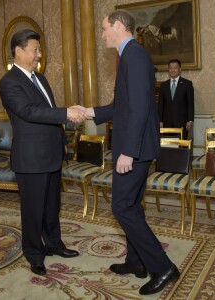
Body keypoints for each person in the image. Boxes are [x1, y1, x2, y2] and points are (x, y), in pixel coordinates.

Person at [82, 11, 180, 295]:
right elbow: (122, 105)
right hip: (136, 147)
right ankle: (136, 262)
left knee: (121, 207)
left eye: (104, 28)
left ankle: (162, 267)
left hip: (134, 149)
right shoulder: (126, 55)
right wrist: (90, 111)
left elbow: (139, 109)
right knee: (132, 206)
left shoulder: (134, 55)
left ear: (118, 25)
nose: (102, 34)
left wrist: (128, 152)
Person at [0, 29, 86, 276]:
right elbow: (29, 112)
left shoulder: (41, 78)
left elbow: (48, 114)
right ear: (19, 50)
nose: (39, 54)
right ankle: (34, 254)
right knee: (33, 210)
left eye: (39, 50)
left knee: (51, 207)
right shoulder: (9, 82)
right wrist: (66, 113)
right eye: (35, 49)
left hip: (50, 154)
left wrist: (62, 141)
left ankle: (54, 244)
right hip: (31, 158)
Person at [158, 59, 194, 139]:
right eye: (170, 68)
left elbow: (190, 104)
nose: (172, 70)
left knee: (182, 147)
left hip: (182, 122)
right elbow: (161, 104)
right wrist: (160, 120)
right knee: (169, 147)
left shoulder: (187, 84)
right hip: (167, 123)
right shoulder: (164, 85)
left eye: (175, 68)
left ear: (180, 70)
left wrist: (190, 120)